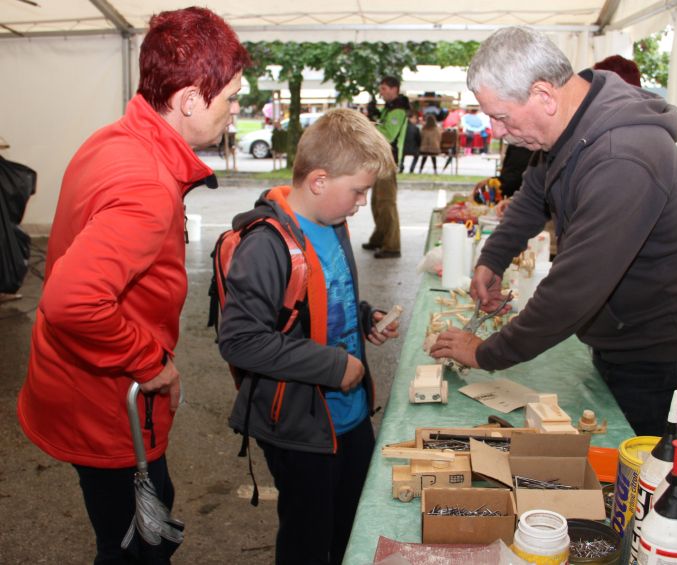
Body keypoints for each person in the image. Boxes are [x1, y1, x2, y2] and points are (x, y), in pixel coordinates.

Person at [16, 7, 250, 563]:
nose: (236, 111)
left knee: (133, 528)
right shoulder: (147, 185)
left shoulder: (113, 139)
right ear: (191, 98)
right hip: (103, 405)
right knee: (137, 545)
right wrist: (150, 360)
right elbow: (72, 299)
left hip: (73, 385)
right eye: (232, 97)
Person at [429, 26, 677, 438]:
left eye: (500, 117)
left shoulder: (624, 157)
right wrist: (494, 257)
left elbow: (574, 288)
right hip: (620, 330)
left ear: (544, 96)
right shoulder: (574, 121)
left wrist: (485, 352)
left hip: (659, 349)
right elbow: (533, 195)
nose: (495, 132)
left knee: (643, 471)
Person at [218, 109, 399, 565]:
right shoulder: (266, 245)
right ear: (319, 181)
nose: (362, 202)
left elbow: (323, 299)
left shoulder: (333, 225)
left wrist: (362, 317)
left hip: (349, 416)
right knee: (307, 539)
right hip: (300, 428)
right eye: (358, 191)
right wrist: (334, 366)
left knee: (353, 523)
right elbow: (240, 340)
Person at [362, 76, 410, 258]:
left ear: (394, 89)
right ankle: (380, 237)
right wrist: (374, 116)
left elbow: (388, 135)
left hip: (388, 159)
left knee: (386, 203)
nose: (381, 93)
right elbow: (383, 127)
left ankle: (392, 245)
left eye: (383, 89)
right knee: (377, 202)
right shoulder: (390, 109)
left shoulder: (398, 110)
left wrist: (369, 123)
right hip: (381, 158)